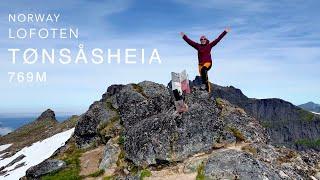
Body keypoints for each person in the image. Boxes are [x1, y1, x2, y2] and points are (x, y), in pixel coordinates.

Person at [180, 28, 230, 92]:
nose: (203, 40)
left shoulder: (209, 45)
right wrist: (184, 36)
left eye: (204, 39)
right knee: (204, 77)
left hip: (208, 63)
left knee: (204, 70)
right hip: (200, 64)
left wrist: (225, 32)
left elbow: (218, 39)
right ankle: (207, 90)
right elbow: (190, 42)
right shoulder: (198, 46)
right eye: (201, 39)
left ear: (206, 40)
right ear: (200, 40)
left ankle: (204, 86)